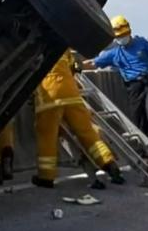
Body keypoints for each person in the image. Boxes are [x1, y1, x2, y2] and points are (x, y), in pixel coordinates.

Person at [33, 51, 125, 189]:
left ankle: (46, 177)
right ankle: (109, 163)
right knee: (87, 132)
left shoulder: (34, 49)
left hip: (49, 97)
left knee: (47, 137)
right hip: (72, 94)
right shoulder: (64, 49)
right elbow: (74, 67)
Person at [85, 15, 148, 152]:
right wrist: (76, 65)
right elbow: (94, 63)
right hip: (134, 86)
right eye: (118, 36)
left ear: (129, 32)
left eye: (123, 35)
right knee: (137, 116)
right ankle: (141, 146)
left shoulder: (142, 43)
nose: (121, 38)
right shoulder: (114, 54)